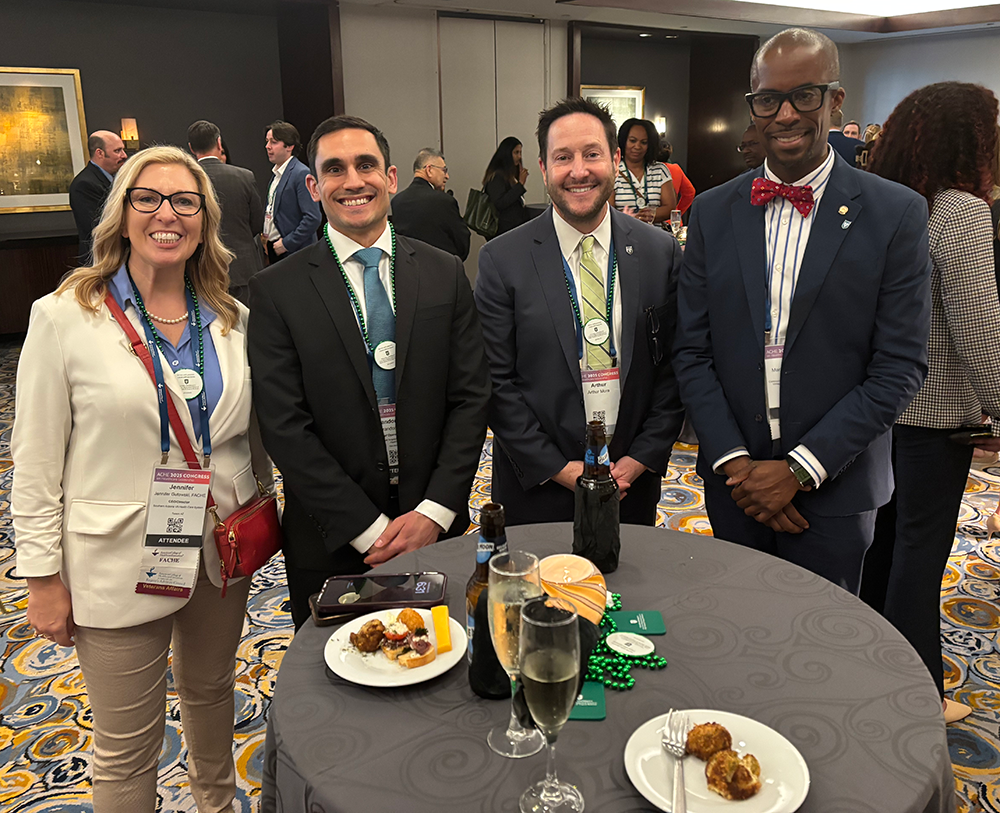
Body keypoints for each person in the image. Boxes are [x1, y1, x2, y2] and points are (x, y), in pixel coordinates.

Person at [12, 145, 271, 812]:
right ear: (121, 214)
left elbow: (242, 435)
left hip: (219, 550)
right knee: (126, 748)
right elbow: (36, 462)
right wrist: (42, 578)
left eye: (185, 201)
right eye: (148, 198)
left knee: (214, 695)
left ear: (204, 219)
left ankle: (217, 803)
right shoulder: (65, 316)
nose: (167, 213)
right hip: (115, 557)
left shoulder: (231, 320)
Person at [673, 27, 932, 596]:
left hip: (835, 490)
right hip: (733, 485)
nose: (785, 114)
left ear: (836, 101)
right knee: (735, 633)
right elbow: (691, 351)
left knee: (825, 652)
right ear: (753, 107)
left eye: (805, 95)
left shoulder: (896, 215)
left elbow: (900, 366)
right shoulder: (713, 213)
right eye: (769, 99)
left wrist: (797, 470)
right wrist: (740, 469)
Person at [248, 115, 490, 629]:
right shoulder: (276, 290)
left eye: (366, 165)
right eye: (334, 169)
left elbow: (471, 397)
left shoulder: (444, 272)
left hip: (436, 530)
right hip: (333, 537)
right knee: (339, 689)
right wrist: (365, 527)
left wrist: (436, 510)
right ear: (313, 186)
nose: (353, 181)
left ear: (392, 178)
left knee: (443, 675)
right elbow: (284, 425)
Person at [475, 97, 684, 526]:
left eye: (592, 154)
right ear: (543, 167)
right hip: (537, 485)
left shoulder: (659, 251)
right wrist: (559, 468)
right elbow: (495, 381)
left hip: (631, 482)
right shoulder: (503, 259)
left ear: (615, 158)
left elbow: (676, 367)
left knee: (631, 592)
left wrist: (642, 456)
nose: (579, 170)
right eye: (562, 157)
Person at [862, 82, 1000, 724]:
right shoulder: (960, 212)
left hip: (878, 410)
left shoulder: (890, 206)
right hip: (935, 418)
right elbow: (979, 327)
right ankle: (915, 693)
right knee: (920, 558)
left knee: (883, 550)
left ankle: (870, 665)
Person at [188, 120, 264, 305]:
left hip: (201, 268)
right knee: (248, 326)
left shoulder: (187, 180)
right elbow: (257, 224)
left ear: (191, 148)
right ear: (219, 143)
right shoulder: (244, 176)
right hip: (243, 267)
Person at [390, 147, 471, 260]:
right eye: (444, 170)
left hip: (409, 270)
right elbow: (462, 243)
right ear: (429, 170)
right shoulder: (444, 201)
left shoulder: (397, 201)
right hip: (441, 268)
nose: (447, 176)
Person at [262, 120, 322, 263]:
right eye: (267, 141)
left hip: (296, 252)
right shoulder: (276, 174)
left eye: (273, 142)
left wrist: (287, 243)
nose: (267, 146)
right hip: (275, 249)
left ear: (289, 146)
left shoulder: (301, 173)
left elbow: (313, 217)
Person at [69, 130, 128, 263]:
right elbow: (99, 228)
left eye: (123, 150)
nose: (124, 156)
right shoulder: (84, 184)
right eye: (117, 151)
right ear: (100, 153)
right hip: (100, 262)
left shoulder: (116, 179)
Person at [610, 118, 677, 226]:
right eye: (632, 140)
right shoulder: (612, 170)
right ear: (623, 141)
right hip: (624, 234)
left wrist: (653, 214)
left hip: (655, 235)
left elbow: (670, 207)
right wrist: (629, 217)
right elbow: (607, 210)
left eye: (644, 142)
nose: (637, 146)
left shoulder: (660, 170)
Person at [484, 136, 533, 235]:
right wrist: (520, 185)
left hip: (515, 228)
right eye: (516, 153)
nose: (519, 157)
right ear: (506, 154)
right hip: (504, 230)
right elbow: (500, 203)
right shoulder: (497, 176)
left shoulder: (510, 175)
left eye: (520, 152)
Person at [657, 138, 696, 215]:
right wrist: (677, 211)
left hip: (653, 220)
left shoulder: (648, 169)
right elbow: (690, 193)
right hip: (672, 221)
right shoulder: (676, 168)